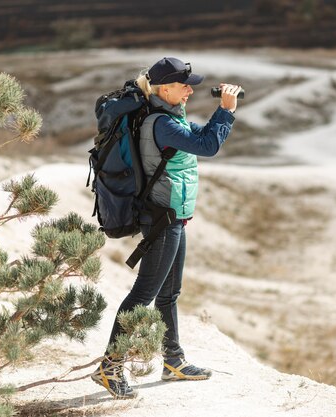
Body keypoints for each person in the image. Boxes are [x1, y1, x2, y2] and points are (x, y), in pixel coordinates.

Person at [91, 57, 241, 399]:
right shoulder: (160, 123)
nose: (190, 90)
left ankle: (173, 360)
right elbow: (208, 146)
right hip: (162, 218)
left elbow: (198, 138)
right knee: (143, 294)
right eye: (184, 85)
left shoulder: (169, 117)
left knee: (168, 294)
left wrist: (216, 117)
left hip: (174, 216)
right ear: (164, 89)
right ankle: (110, 367)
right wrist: (226, 110)